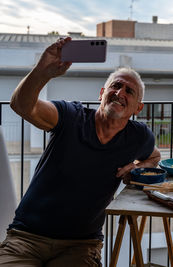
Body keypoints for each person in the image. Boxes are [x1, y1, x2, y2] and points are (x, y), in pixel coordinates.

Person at [0, 37, 161, 266]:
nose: (120, 93)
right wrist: (43, 72)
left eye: (129, 91)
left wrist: (137, 168)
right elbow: (22, 105)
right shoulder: (70, 116)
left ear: (138, 108)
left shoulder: (139, 137)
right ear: (102, 93)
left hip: (81, 245)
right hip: (27, 239)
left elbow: (155, 157)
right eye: (115, 85)